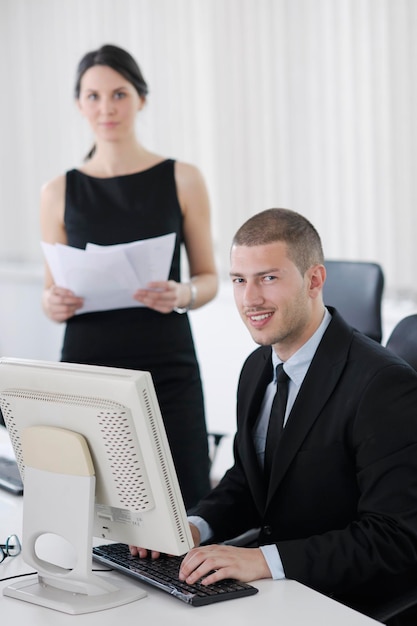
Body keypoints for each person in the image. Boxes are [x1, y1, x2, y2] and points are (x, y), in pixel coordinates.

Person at [132, 208, 417, 624]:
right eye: (239, 280)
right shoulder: (256, 367)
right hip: (277, 587)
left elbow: (393, 539)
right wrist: (192, 528)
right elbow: (249, 481)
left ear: (314, 280)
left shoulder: (382, 384)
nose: (251, 299)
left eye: (268, 278)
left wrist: (263, 561)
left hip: (343, 597)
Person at [40, 44, 218, 510]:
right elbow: (49, 294)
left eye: (118, 94)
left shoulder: (183, 178)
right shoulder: (58, 190)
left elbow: (209, 279)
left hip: (168, 368)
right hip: (90, 371)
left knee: (186, 508)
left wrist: (183, 292)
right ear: (79, 104)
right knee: (99, 512)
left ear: (140, 98)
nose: (106, 107)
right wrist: (51, 304)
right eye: (93, 96)